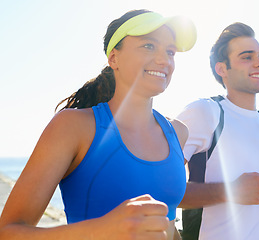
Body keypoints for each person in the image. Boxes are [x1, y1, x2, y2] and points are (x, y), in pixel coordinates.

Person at [0, 9, 196, 240]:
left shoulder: (178, 132)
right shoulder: (73, 126)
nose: (164, 60)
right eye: (149, 46)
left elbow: (168, 225)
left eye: (170, 51)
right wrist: (101, 230)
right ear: (114, 58)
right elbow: (8, 231)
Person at [176, 22, 259, 240]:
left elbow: (248, 174)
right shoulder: (206, 112)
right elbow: (158, 187)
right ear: (222, 69)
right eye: (247, 57)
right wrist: (230, 192)